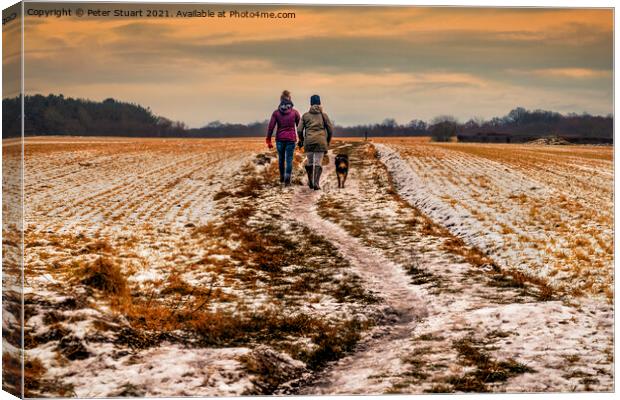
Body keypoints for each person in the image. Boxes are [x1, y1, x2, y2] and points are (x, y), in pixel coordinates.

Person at [297, 94, 333, 190]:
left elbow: (299, 130)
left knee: (310, 162)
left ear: (311, 104)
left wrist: (301, 140)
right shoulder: (324, 116)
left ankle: (311, 181)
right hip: (321, 142)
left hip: (308, 142)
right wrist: (328, 141)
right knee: (318, 162)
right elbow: (330, 129)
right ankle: (316, 183)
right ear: (320, 103)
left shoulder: (305, 116)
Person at [266, 90, 301, 186]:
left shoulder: (276, 113)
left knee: (281, 159)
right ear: (290, 100)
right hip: (291, 139)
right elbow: (300, 127)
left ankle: (281, 178)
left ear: (281, 100)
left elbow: (271, 127)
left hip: (280, 140)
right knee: (289, 160)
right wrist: (301, 139)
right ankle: (287, 180)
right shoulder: (295, 113)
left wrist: (268, 140)